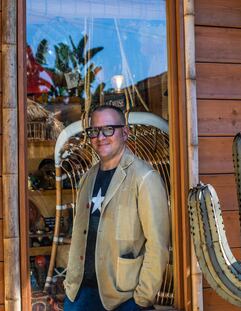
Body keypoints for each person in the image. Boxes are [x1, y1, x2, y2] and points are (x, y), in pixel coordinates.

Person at [63, 105, 170, 311]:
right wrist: (69, 284)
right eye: (94, 130)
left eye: (108, 129)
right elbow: (80, 235)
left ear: (125, 132)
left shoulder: (144, 177)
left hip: (123, 298)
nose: (100, 136)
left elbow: (157, 245)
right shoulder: (88, 178)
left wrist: (142, 299)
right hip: (80, 293)